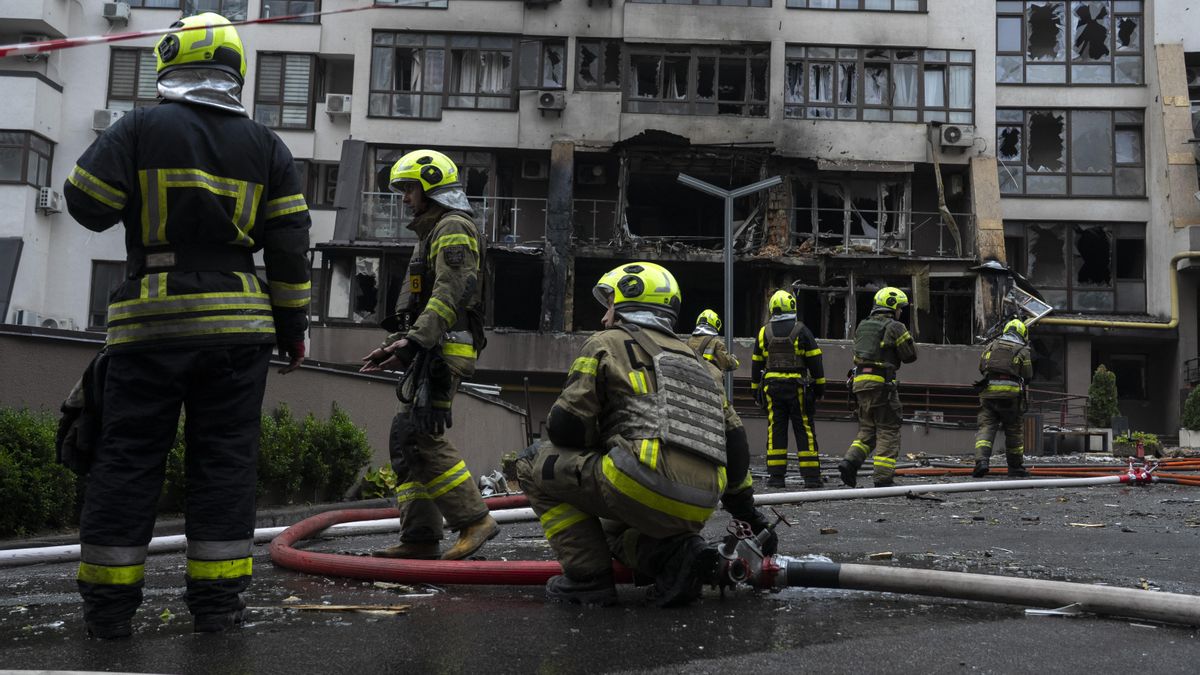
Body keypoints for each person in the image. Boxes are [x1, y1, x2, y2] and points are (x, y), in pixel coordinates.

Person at [63, 13, 310, 638]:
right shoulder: (267, 145)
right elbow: (288, 251)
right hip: (239, 331)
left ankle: (110, 612)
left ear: (168, 63)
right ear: (236, 69)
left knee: (128, 459)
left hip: (151, 329)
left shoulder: (140, 127)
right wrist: (292, 329)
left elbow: (86, 204)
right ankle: (219, 607)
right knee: (225, 463)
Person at [516, 262, 772, 607]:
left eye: (610, 305)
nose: (606, 317)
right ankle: (679, 556)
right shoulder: (700, 363)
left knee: (533, 462)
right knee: (614, 531)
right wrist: (747, 515)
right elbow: (736, 444)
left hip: (640, 483)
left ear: (626, 302)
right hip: (700, 504)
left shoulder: (605, 343)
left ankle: (587, 579)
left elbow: (565, 428)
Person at [360, 149, 498, 561]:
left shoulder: (453, 227)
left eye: (409, 189)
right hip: (430, 348)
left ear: (432, 187)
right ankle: (419, 535)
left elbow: (450, 291)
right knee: (407, 436)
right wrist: (397, 347)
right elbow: (424, 304)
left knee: (422, 434)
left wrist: (417, 341)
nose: (404, 198)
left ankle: (475, 520)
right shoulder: (433, 230)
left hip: (443, 350)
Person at [838, 287, 917, 488]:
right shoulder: (895, 326)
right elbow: (910, 356)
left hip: (860, 383)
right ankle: (883, 477)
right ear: (893, 307)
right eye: (900, 308)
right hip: (881, 384)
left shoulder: (862, 326)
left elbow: (857, 356)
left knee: (868, 428)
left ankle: (850, 462)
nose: (900, 311)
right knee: (888, 428)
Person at [751, 290, 826, 490]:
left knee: (776, 430)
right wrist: (820, 386)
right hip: (797, 388)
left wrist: (754, 390)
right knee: (804, 429)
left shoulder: (763, 332)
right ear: (792, 307)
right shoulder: (801, 330)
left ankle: (776, 478)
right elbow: (815, 360)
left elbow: (756, 363)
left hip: (771, 387)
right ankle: (811, 478)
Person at [972, 319, 1033, 478]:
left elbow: (981, 367)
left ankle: (981, 463)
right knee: (1013, 431)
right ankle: (1015, 468)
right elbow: (1028, 375)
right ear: (1022, 333)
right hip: (1010, 398)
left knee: (986, 428)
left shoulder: (991, 346)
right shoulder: (1023, 350)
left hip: (988, 395)